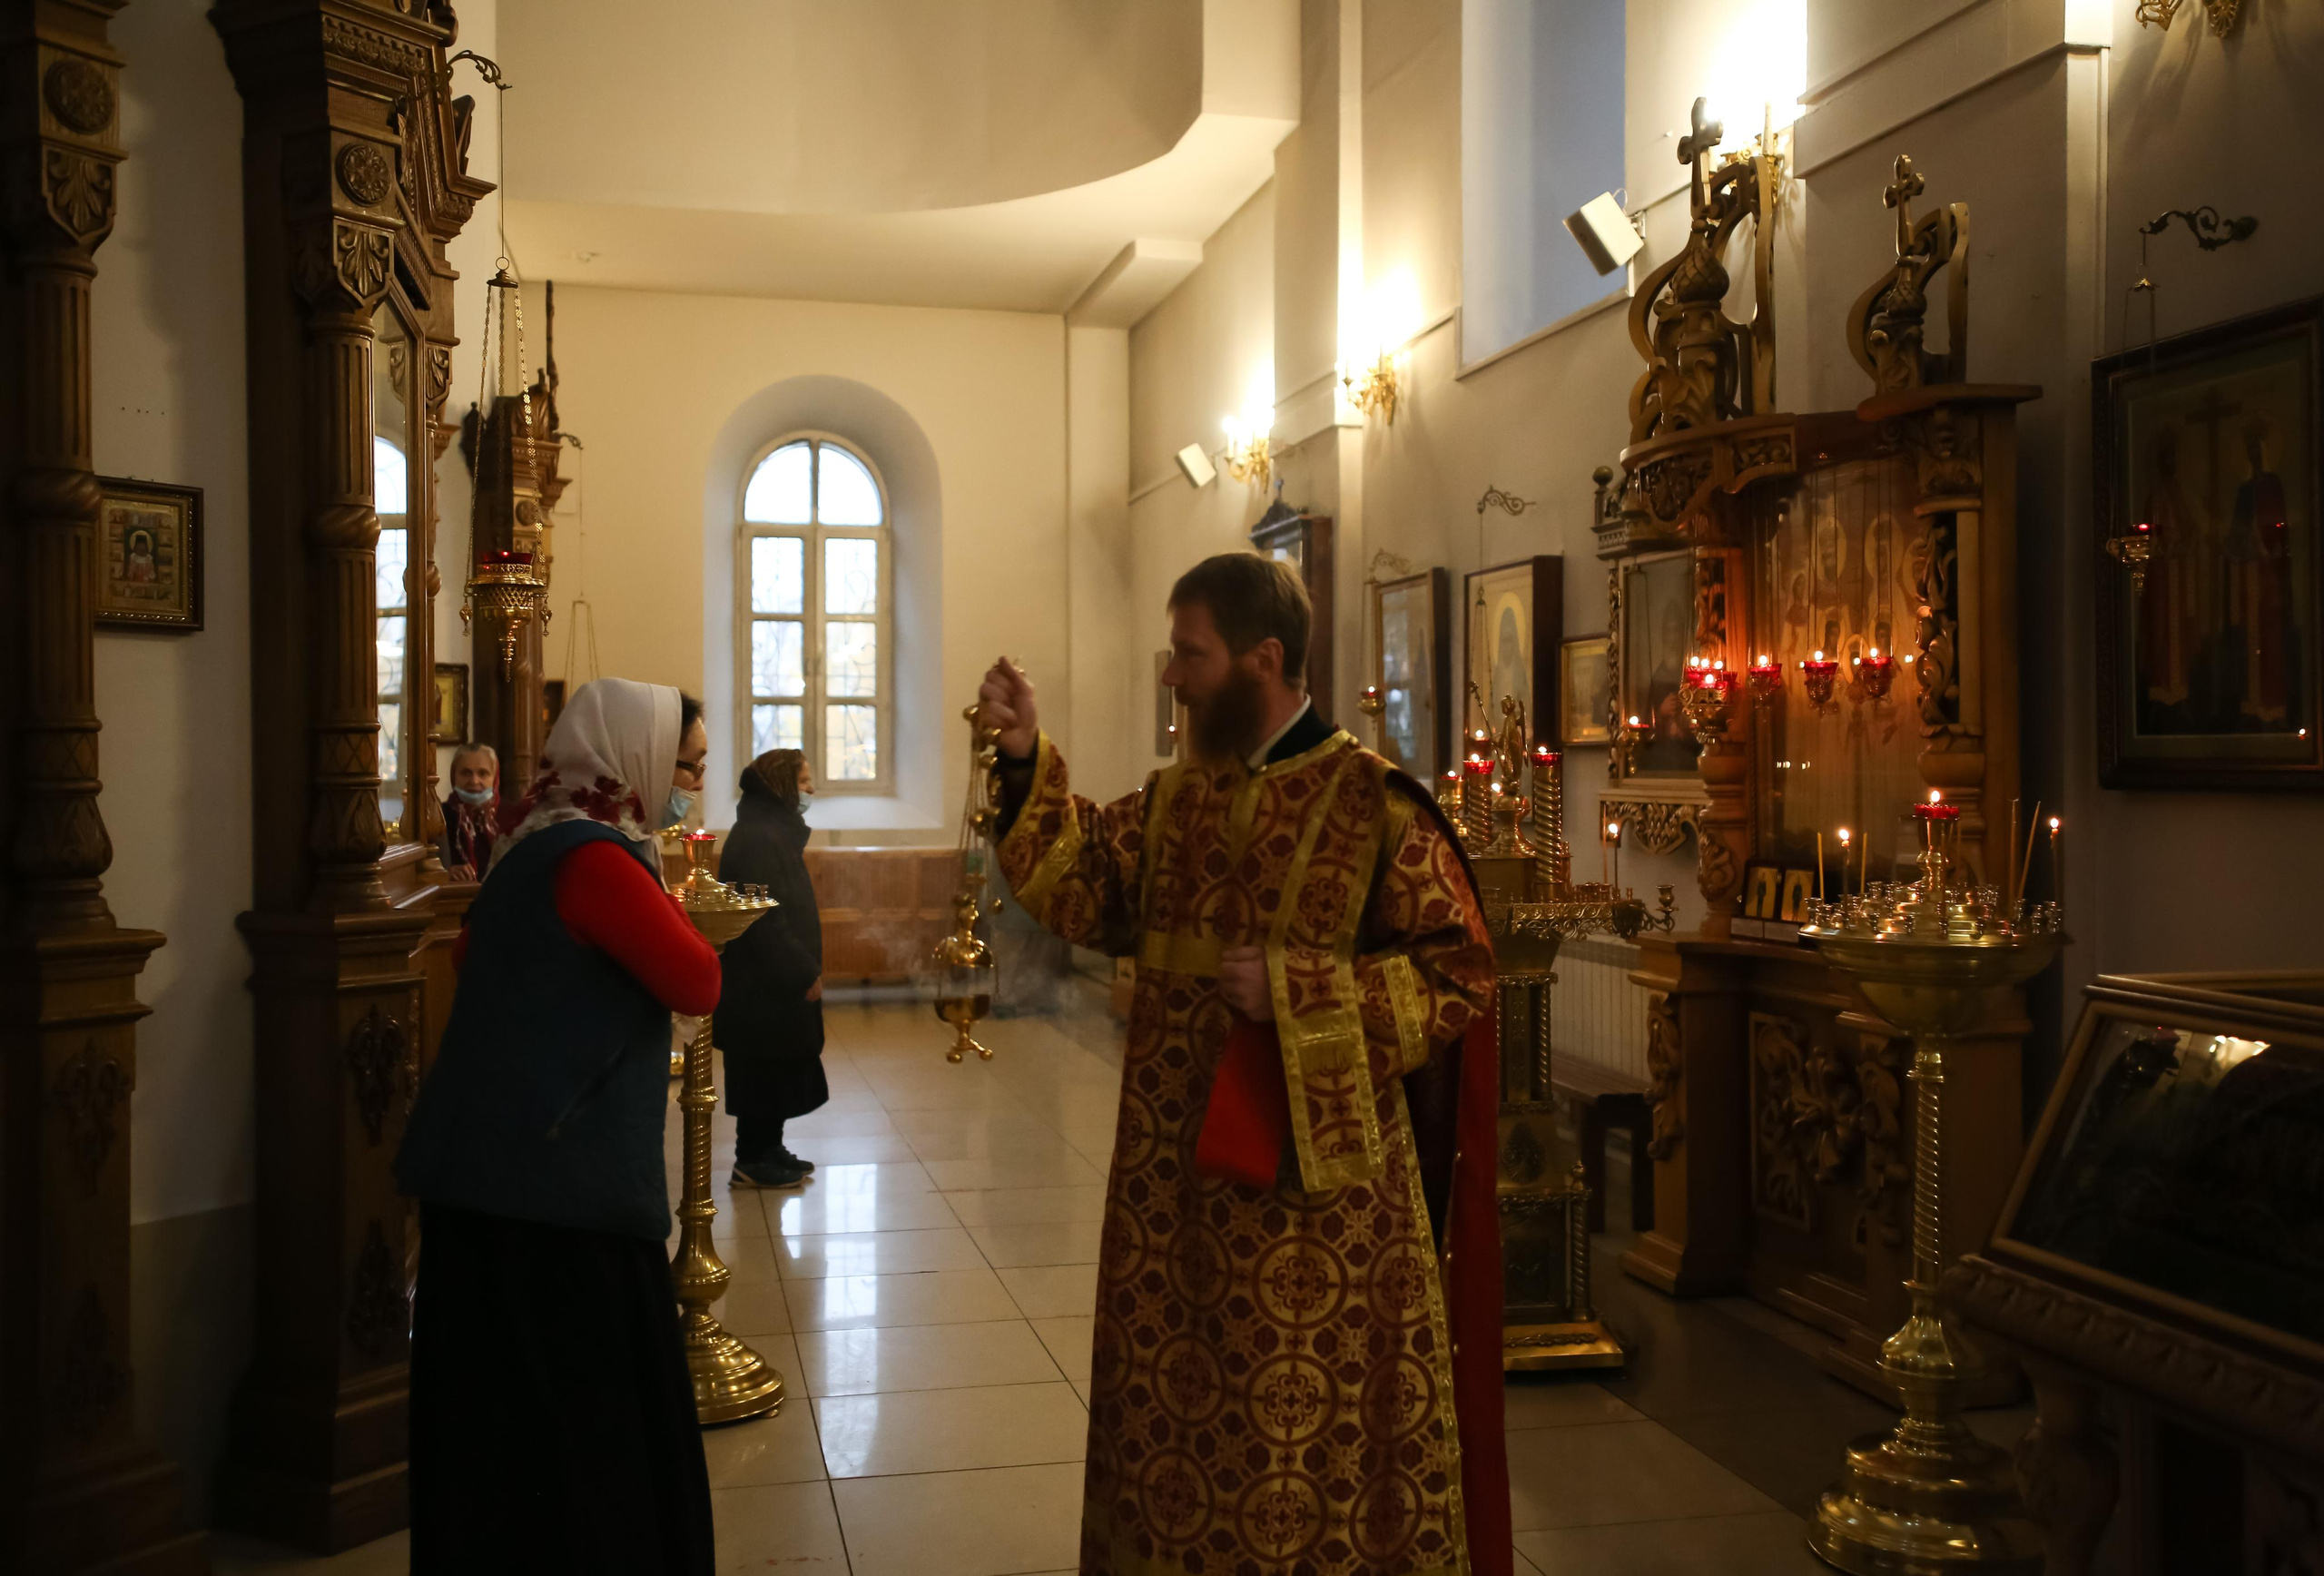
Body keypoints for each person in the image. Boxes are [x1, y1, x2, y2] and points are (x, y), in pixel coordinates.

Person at [977, 551, 1512, 1576]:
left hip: (1320, 1213)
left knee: (1297, 1437)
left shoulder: (1376, 807)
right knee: (1175, 1412)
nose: (1172, 677)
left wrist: (1307, 993)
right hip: (1171, 1192)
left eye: (1190, 654)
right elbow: (1079, 879)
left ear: (1264, 658)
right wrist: (1019, 754)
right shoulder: (1177, 798)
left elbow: (1461, 973)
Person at [397, 678, 718, 1575]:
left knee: (496, 1430)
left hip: (484, 1177)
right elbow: (698, 979)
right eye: (686, 763)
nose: (690, 780)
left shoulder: (529, 834)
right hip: (555, 1195)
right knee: (581, 1428)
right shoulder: (596, 856)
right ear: (636, 756)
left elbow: (469, 953)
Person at [714, 747, 827, 1188]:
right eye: (803, 782)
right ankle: (751, 1159)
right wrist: (802, 970)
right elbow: (764, 917)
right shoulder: (759, 836)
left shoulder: (770, 830)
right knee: (761, 1071)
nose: (810, 790)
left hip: (771, 982)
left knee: (778, 1068)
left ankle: (769, 1148)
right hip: (760, 984)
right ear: (782, 785)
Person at [438, 740, 500, 881]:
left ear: (495, 777)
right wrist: (445, 874)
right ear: (454, 776)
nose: (474, 780)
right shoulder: (439, 817)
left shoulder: (509, 817)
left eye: (483, 773)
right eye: (466, 773)